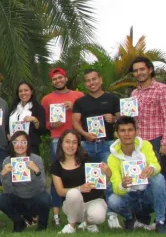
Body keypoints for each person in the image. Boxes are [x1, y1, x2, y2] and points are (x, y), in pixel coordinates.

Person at [72, 69, 121, 229]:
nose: (91, 83)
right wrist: (86, 134)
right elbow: (75, 123)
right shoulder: (80, 102)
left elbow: (123, 119)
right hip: (87, 145)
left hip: (107, 144)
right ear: (85, 83)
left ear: (100, 80)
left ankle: (112, 215)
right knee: (86, 180)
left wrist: (114, 119)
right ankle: (86, 217)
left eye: (94, 79)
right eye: (88, 80)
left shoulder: (112, 99)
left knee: (109, 179)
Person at [130, 56, 166, 227]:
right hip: (138, 143)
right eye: (135, 70)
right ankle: (142, 219)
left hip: (156, 140)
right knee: (139, 180)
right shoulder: (134, 93)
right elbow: (132, 120)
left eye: (142, 69)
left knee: (160, 180)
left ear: (150, 69)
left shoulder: (161, 89)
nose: (139, 73)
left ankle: (162, 219)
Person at [106, 116, 166, 234]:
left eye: (130, 130)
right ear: (116, 134)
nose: (127, 134)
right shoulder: (112, 157)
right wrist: (123, 185)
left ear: (136, 132)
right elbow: (116, 187)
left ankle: (160, 222)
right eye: (123, 131)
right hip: (130, 196)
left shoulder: (145, 145)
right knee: (113, 200)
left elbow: (156, 165)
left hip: (147, 194)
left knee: (158, 178)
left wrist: (151, 168)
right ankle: (129, 218)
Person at [40, 67, 84, 226]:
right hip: (56, 140)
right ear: (52, 82)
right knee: (57, 177)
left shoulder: (78, 96)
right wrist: (51, 124)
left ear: (66, 78)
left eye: (60, 78)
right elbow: (43, 123)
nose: (58, 81)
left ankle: (82, 212)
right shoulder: (46, 99)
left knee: (81, 174)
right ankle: (56, 215)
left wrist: (74, 107)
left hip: (77, 140)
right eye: (54, 79)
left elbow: (87, 116)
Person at [51, 130, 109, 234]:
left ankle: (90, 223)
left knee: (98, 217)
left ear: (78, 145)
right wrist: (80, 188)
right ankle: (71, 226)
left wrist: (108, 174)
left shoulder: (86, 160)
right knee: (73, 193)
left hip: (92, 201)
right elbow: (60, 191)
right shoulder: (56, 166)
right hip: (72, 205)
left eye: (74, 142)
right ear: (61, 143)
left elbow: (100, 184)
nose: (71, 145)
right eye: (67, 141)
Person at [0, 131, 50, 232]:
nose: (20, 145)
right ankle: (19, 222)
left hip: (34, 198)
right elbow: (8, 190)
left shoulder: (36, 159)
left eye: (23, 142)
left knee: (45, 197)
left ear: (28, 144)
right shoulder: (7, 161)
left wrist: (37, 171)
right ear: (12, 144)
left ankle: (42, 226)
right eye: (16, 142)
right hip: (18, 199)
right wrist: (4, 175)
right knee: (2, 199)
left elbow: (42, 186)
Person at [8, 81, 46, 154]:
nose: (23, 93)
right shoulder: (13, 108)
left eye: (26, 90)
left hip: (31, 148)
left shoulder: (38, 108)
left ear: (31, 92)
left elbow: (43, 130)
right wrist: (8, 135)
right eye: (20, 91)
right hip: (14, 147)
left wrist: (34, 120)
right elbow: (7, 125)